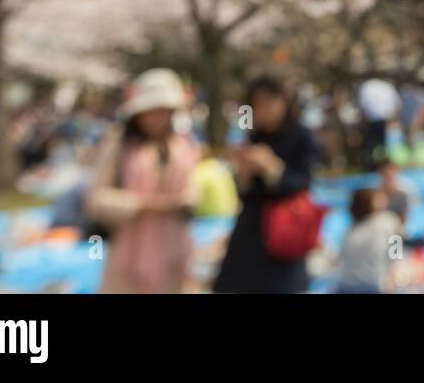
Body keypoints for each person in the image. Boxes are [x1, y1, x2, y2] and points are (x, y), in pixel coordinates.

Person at [85, 69, 200, 294]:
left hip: (174, 247)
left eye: (164, 111)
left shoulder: (183, 146)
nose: (158, 118)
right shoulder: (120, 145)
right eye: (152, 111)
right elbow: (95, 198)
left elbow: (192, 189)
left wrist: (183, 202)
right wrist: (143, 204)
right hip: (131, 248)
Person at [214, 75, 323, 293]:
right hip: (251, 230)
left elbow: (302, 183)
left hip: (285, 229)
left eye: (269, 102)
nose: (265, 109)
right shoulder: (254, 137)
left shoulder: (302, 136)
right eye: (258, 104)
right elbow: (245, 194)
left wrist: (273, 168)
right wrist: (243, 174)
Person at [338, 187, 402, 293]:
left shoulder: (351, 230)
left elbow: (342, 257)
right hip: (372, 284)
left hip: (346, 283)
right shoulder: (389, 220)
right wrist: (393, 274)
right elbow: (396, 253)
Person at [358, 78, 400, 170]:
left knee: (373, 145)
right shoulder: (387, 87)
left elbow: (363, 106)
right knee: (381, 145)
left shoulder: (367, 86)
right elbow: (396, 105)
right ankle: (379, 165)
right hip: (383, 120)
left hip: (374, 120)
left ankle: (375, 165)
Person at [377, 157, 419, 226]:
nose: (388, 172)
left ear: (397, 170)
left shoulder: (408, 186)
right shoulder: (377, 186)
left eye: (391, 169)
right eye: (385, 171)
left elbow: (413, 207)